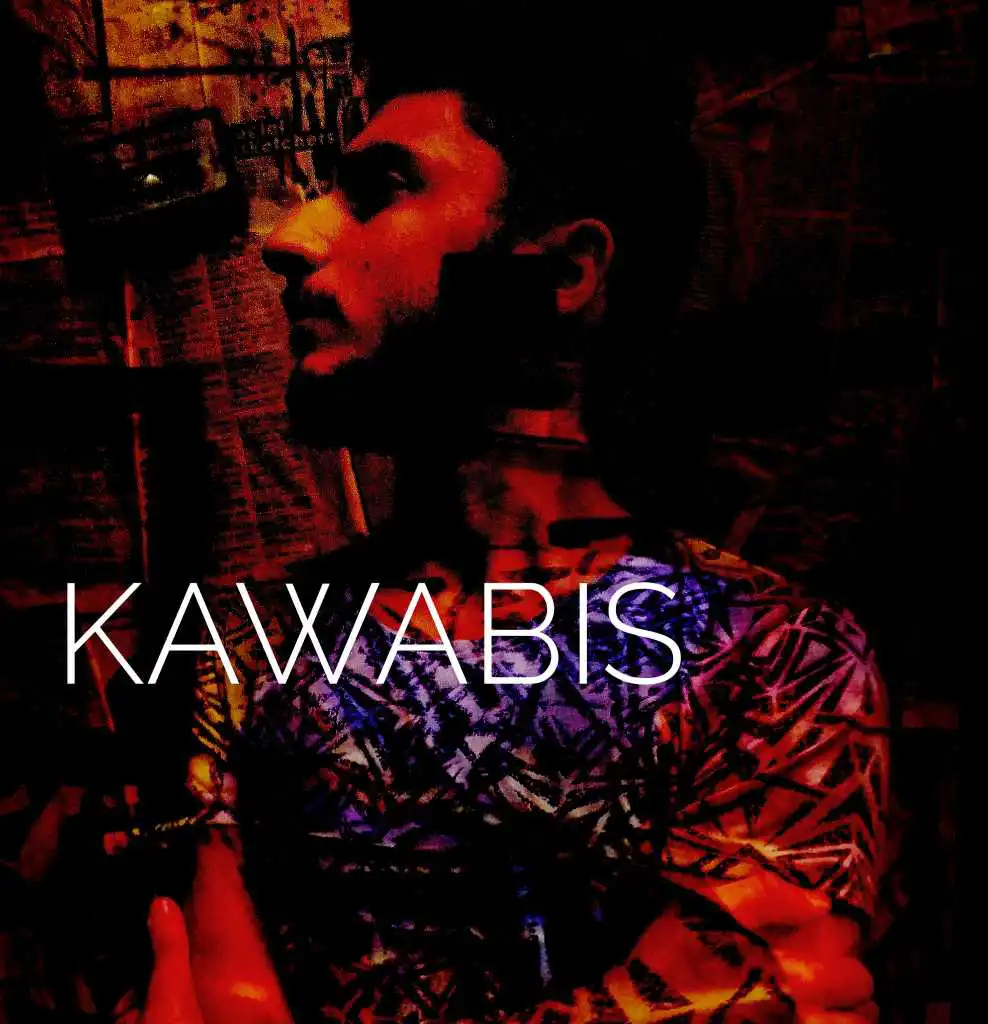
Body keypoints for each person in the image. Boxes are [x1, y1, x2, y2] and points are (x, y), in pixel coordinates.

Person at [135, 3, 889, 1021]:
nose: (289, 237)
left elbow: (738, 995)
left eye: (380, 191)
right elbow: (222, 993)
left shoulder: (772, 658)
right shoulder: (255, 642)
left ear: (564, 271)